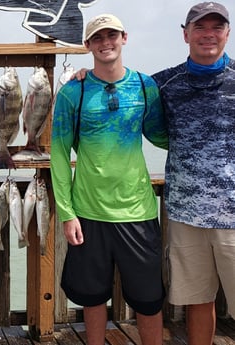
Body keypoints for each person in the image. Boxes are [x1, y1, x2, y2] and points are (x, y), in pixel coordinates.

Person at [50, 14, 168, 345]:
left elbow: (163, 136)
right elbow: (58, 154)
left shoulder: (145, 86)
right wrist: (66, 212)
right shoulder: (74, 91)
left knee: (148, 300)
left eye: (111, 35)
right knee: (92, 297)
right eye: (98, 38)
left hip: (138, 212)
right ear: (87, 45)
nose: (106, 43)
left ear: (124, 38)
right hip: (88, 213)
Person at [151, 2, 235, 344]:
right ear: (185, 34)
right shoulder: (163, 84)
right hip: (186, 216)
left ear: (227, 34)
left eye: (217, 27)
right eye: (200, 27)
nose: (208, 34)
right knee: (198, 302)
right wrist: (82, 75)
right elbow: (119, 86)